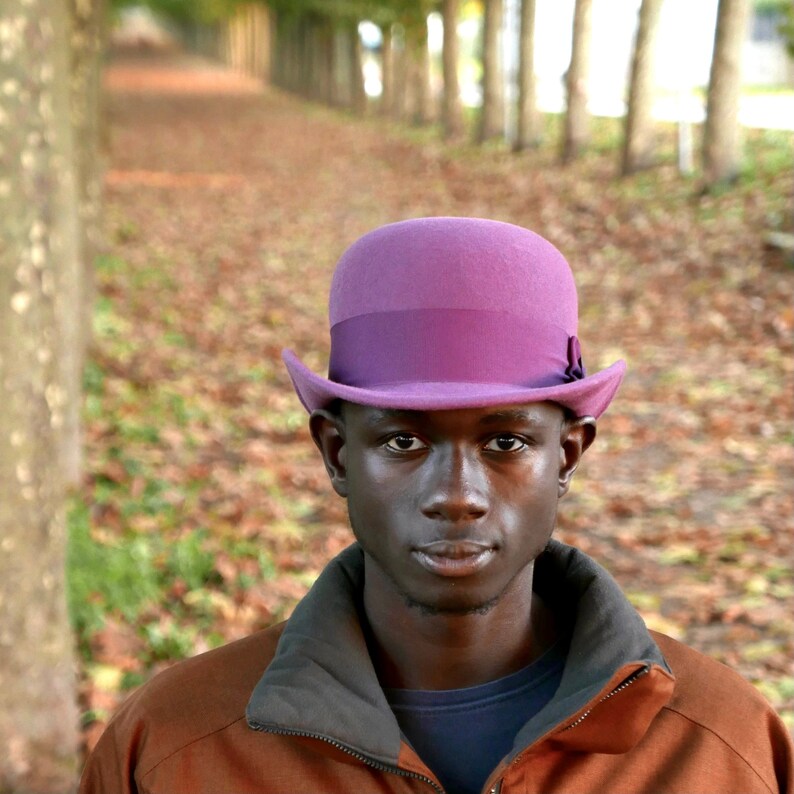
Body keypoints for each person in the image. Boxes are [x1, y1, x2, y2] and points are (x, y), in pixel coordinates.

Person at [80, 217, 792, 794]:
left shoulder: (726, 751)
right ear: (337, 454)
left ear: (567, 457)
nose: (456, 495)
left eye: (506, 442)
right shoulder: (173, 750)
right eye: (402, 442)